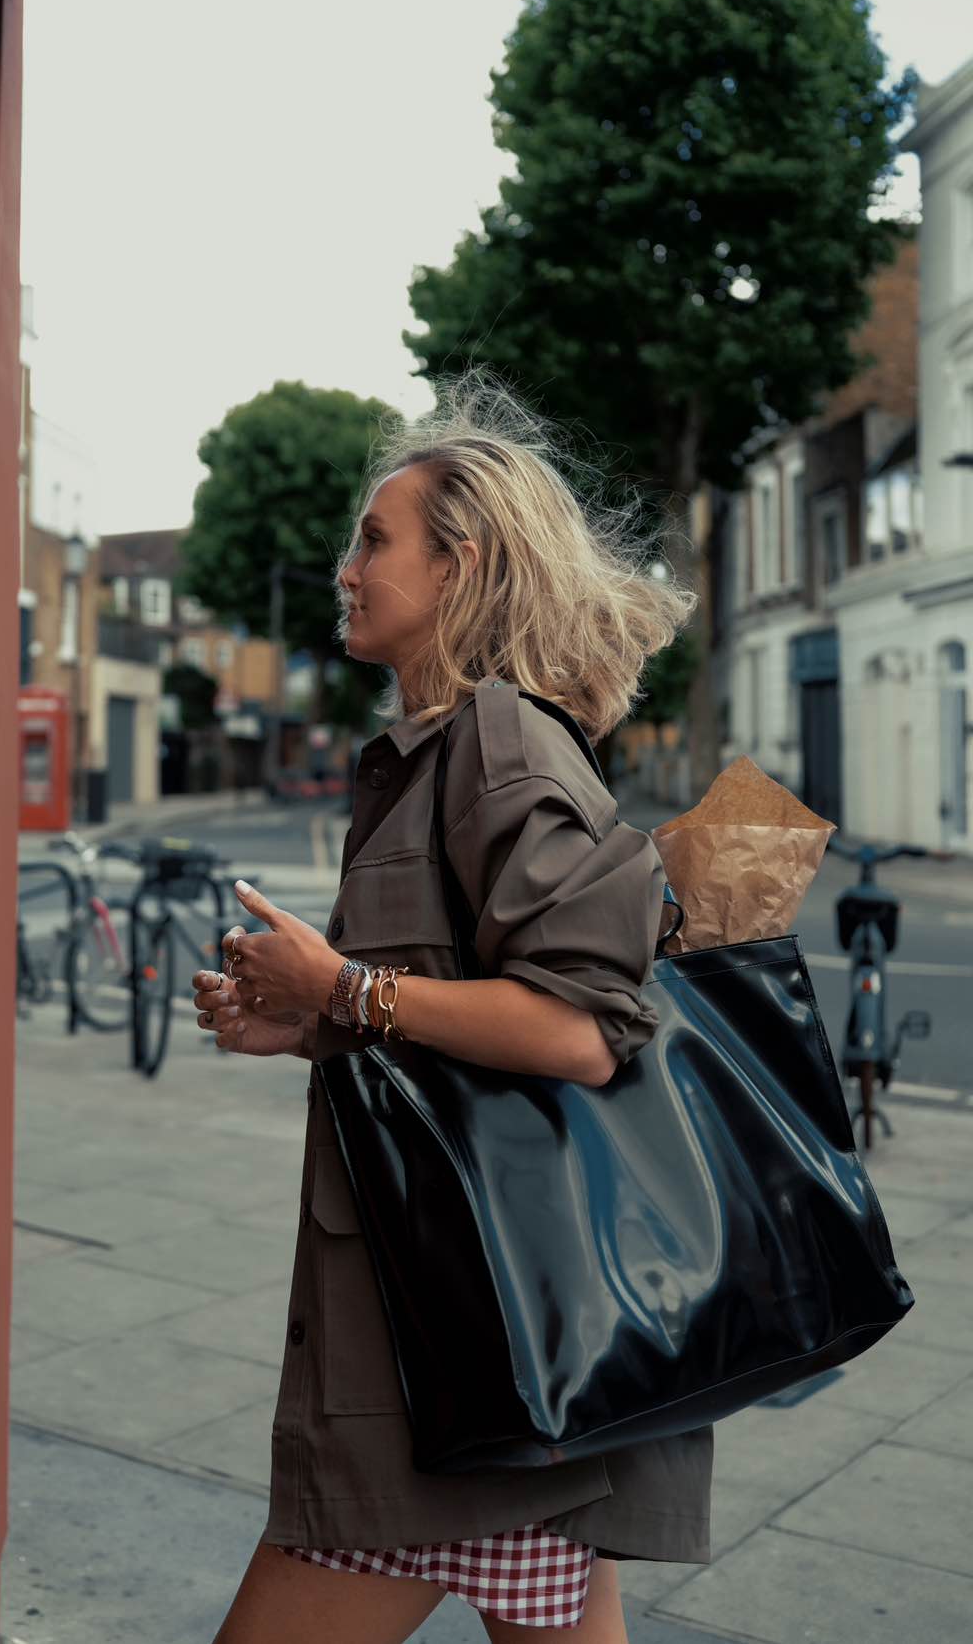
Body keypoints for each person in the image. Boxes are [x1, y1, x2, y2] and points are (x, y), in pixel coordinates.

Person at [190, 377, 703, 1642]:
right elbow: (465, 1005)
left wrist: (347, 987)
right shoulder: (433, 751)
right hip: (481, 1363)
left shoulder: (502, 746)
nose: (345, 569)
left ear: (459, 568)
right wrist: (307, 1021)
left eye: (374, 539)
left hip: (455, 1379)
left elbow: (579, 1030)